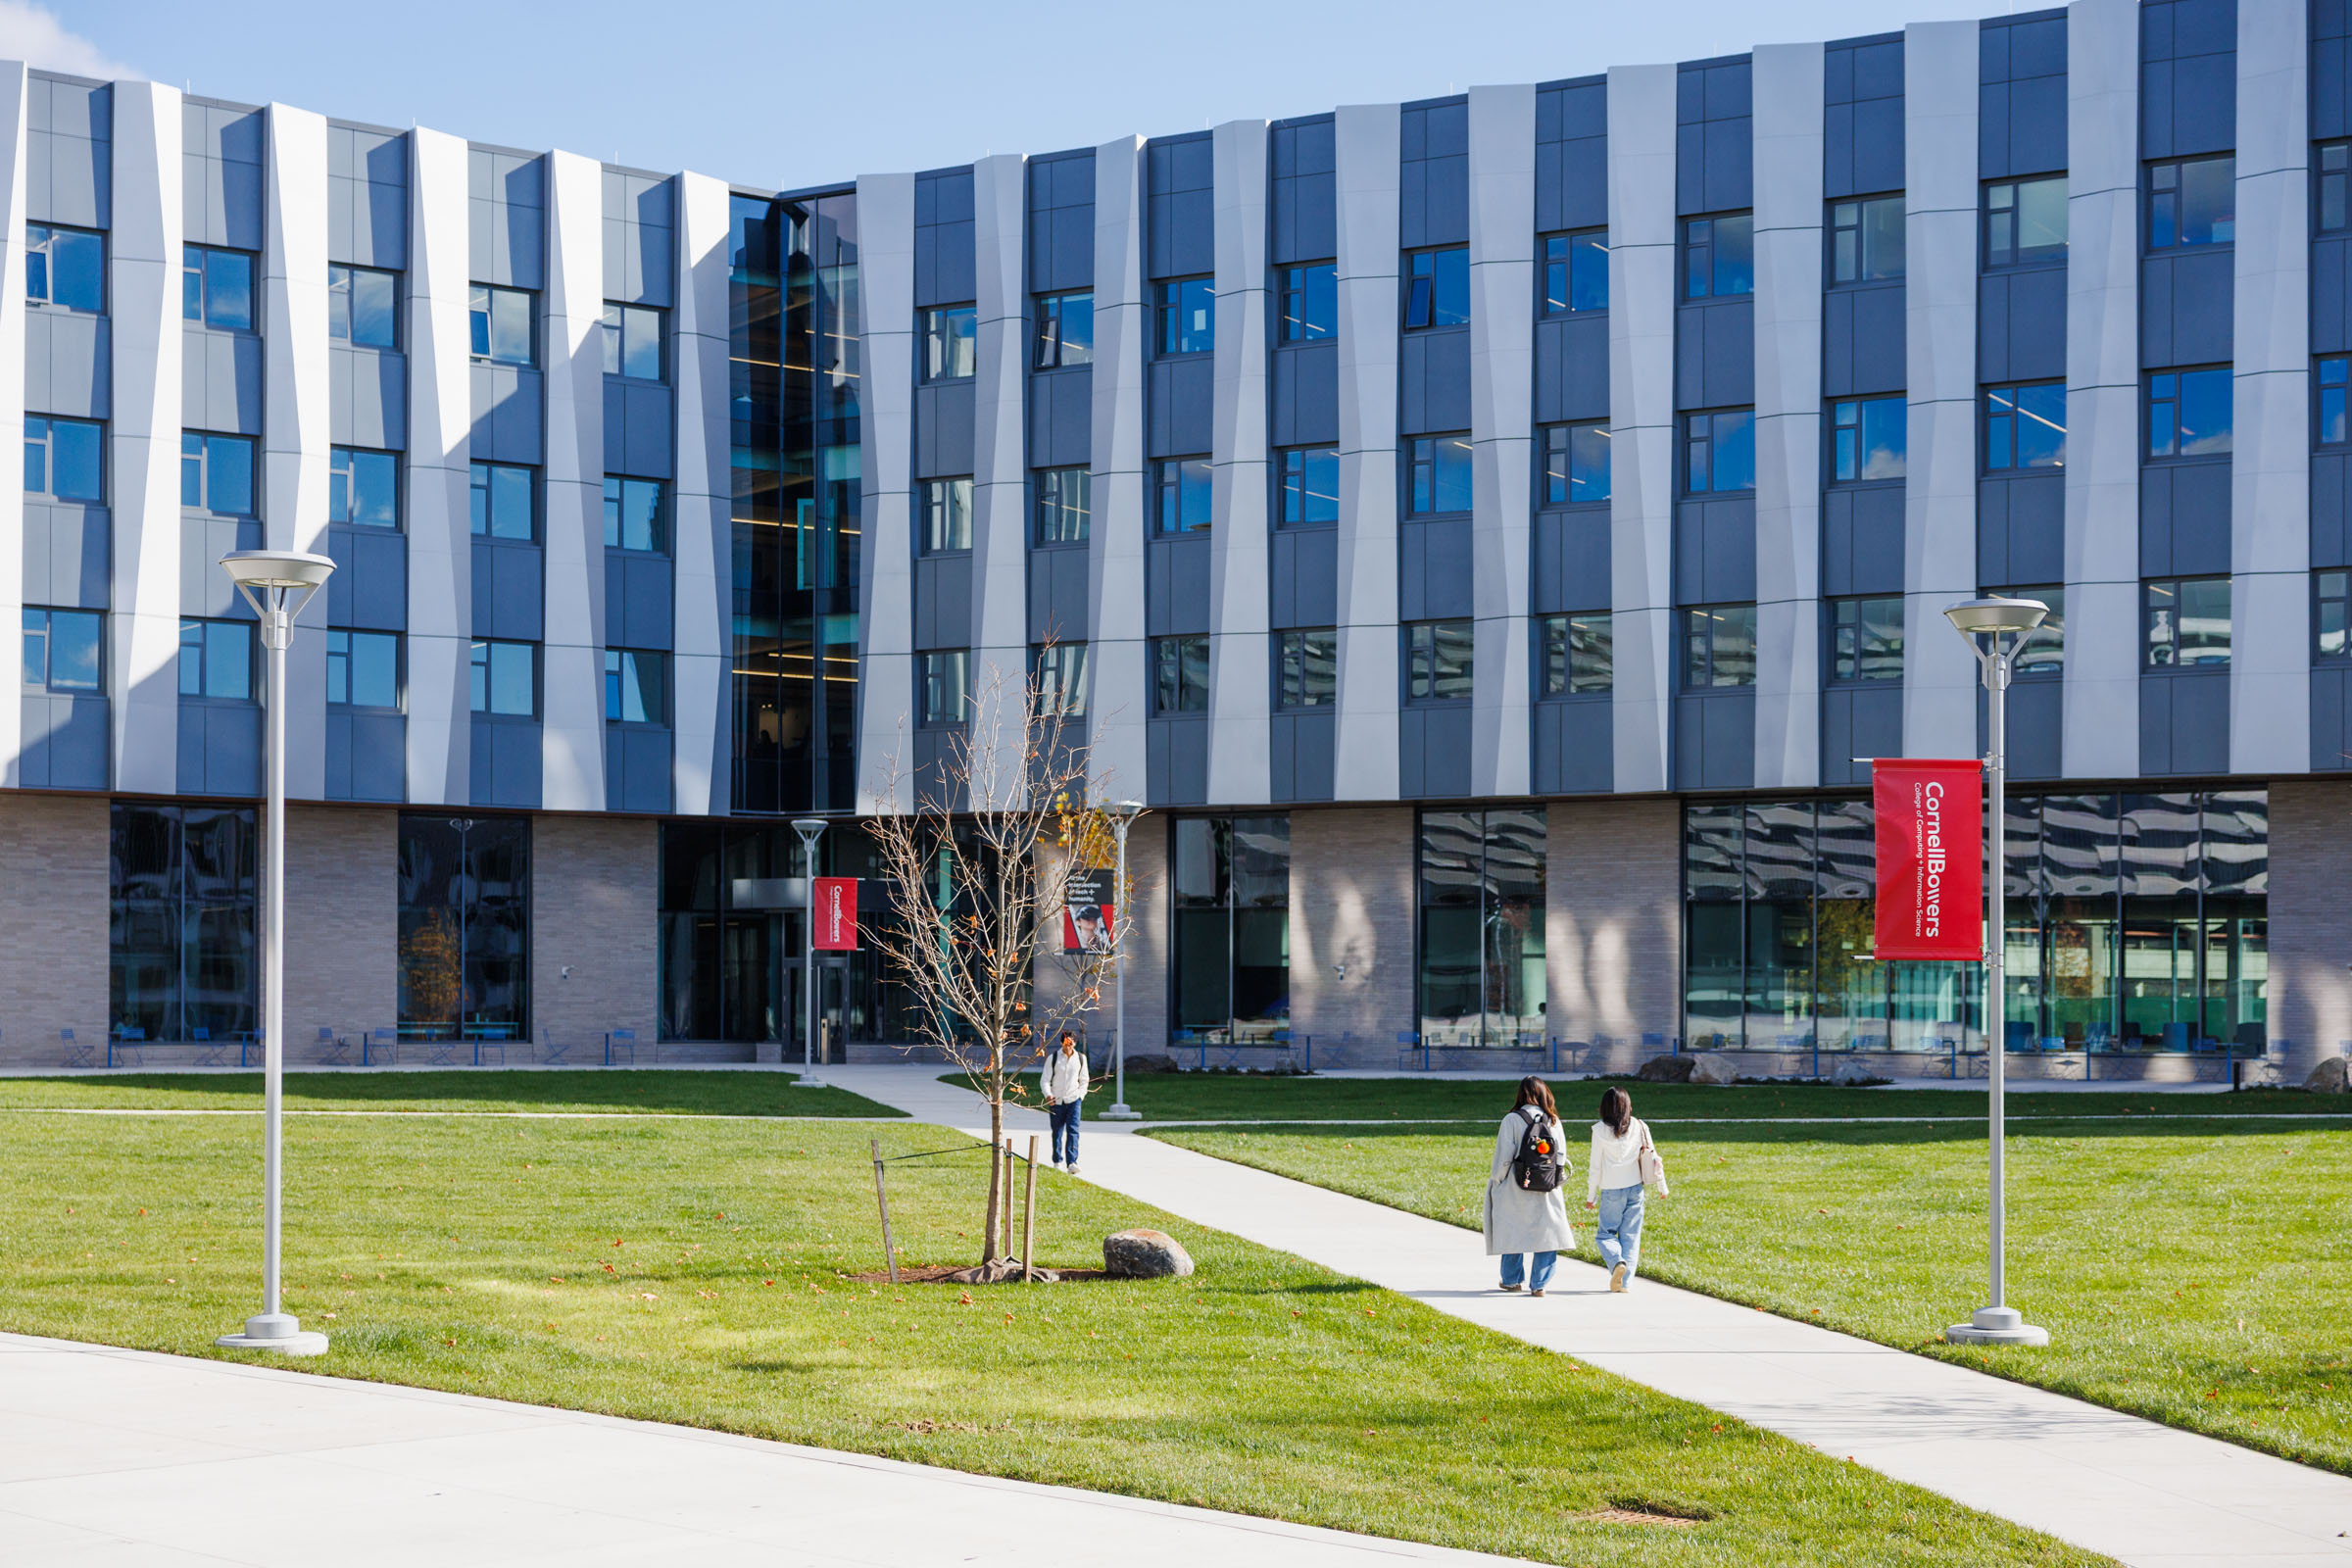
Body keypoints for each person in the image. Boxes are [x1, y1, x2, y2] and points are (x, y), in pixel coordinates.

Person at [1485, 1076, 1575, 1297]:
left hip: (1516, 1184)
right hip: (1546, 1185)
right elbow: (1560, 1155)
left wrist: (1497, 1179)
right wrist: (1553, 1177)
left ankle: (1511, 1280)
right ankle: (1539, 1284)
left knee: (1513, 1231)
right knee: (1547, 1234)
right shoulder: (1553, 1120)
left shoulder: (1512, 1120)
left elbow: (1504, 1156)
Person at [1586, 1086, 1665, 1293]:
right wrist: (1662, 1186)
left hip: (1611, 1189)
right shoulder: (1640, 1125)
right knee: (1631, 1236)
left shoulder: (1599, 1130)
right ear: (1627, 1106)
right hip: (1635, 1187)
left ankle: (1617, 1262)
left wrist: (1591, 1195)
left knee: (1605, 1234)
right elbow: (1655, 1159)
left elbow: (1595, 1166)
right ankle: (1625, 1283)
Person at [1044, 1030, 1091, 1173]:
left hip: (1074, 1100)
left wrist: (1080, 1095)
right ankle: (1057, 1161)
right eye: (1065, 1043)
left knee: (1073, 1131)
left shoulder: (1081, 1058)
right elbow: (1045, 1080)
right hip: (1056, 1101)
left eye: (1070, 1043)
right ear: (1061, 1042)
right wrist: (1048, 1095)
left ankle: (1072, 1162)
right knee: (1057, 1132)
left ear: (1074, 1043)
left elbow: (1084, 1080)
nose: (1068, 1046)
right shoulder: (1053, 1058)